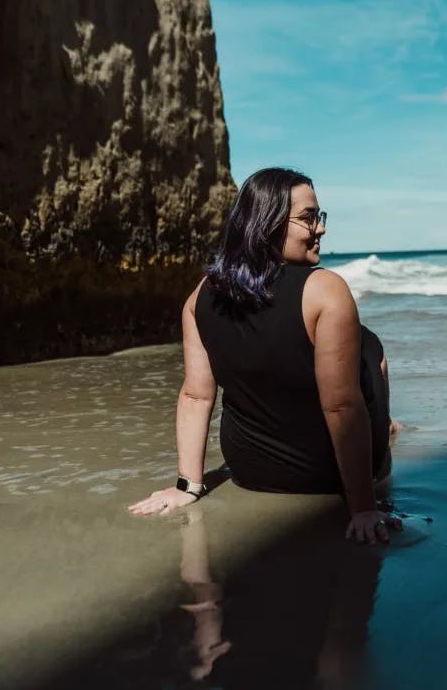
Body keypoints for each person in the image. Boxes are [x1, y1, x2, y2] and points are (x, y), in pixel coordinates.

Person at [129, 168, 402, 544]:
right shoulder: (325, 289)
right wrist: (363, 508)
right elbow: (340, 406)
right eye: (309, 218)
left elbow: (196, 395)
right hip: (326, 479)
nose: (320, 229)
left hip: (249, 471)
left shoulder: (202, 295)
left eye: (319, 217)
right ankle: (385, 430)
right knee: (370, 348)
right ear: (269, 224)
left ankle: (385, 426)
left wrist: (187, 486)